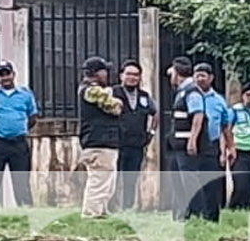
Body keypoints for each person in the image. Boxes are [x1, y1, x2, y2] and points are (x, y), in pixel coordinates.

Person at [0, 61, 37, 208]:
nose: (5, 78)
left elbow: (33, 117)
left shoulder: (25, 94)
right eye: (1, 74)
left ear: (13, 74)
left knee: (21, 182)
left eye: (7, 74)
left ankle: (25, 211)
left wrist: (20, 129)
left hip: (19, 144)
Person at [78, 56, 123, 218]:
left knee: (107, 181)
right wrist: (117, 101)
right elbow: (115, 107)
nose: (107, 74)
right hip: (98, 142)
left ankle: (101, 212)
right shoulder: (91, 90)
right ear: (96, 73)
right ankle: (91, 214)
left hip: (102, 141)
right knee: (99, 180)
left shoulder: (93, 89)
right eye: (105, 71)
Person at [185, 62, 231, 221]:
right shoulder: (189, 96)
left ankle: (212, 218)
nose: (199, 79)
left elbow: (225, 126)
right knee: (192, 182)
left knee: (212, 183)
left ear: (211, 78)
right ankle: (194, 216)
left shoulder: (219, 100)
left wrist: (230, 148)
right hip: (193, 146)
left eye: (203, 75)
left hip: (212, 146)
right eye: (196, 75)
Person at [113, 59, 158, 211]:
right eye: (129, 74)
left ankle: (128, 207)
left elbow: (156, 113)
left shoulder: (144, 96)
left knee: (131, 178)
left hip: (137, 144)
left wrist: (151, 132)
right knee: (114, 177)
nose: (132, 77)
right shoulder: (113, 93)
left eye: (136, 75)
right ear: (121, 76)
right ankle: (112, 207)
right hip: (117, 143)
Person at [165, 57, 197, 220]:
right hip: (177, 144)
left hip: (185, 146)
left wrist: (192, 140)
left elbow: (198, 116)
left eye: (171, 73)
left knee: (187, 181)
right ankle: (179, 214)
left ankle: (189, 213)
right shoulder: (183, 91)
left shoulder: (191, 91)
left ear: (177, 73)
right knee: (177, 180)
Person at [227, 82, 250, 209]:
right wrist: (230, 148)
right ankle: (233, 210)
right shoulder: (235, 110)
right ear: (243, 96)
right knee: (241, 185)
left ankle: (248, 212)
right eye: (248, 95)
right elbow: (227, 129)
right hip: (240, 151)